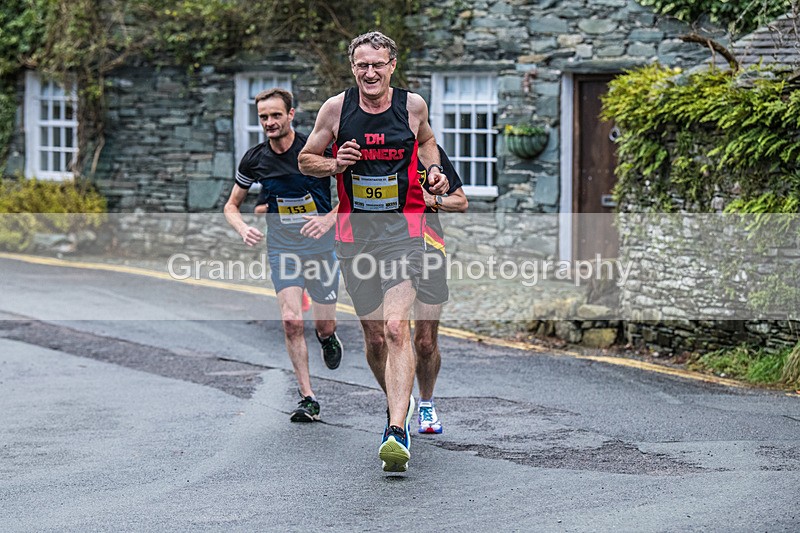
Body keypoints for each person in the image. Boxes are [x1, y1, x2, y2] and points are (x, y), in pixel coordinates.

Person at [298, 31, 449, 472]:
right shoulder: (336, 109)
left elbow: (425, 142)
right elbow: (307, 158)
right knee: (375, 337)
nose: (370, 73)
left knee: (397, 326)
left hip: (405, 231)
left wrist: (434, 169)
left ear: (392, 66)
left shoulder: (412, 106)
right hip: (354, 236)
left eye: (377, 64)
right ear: (353, 68)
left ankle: (397, 430)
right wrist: (335, 164)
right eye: (362, 65)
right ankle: (394, 404)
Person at [224, 87, 343, 423]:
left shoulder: (314, 149)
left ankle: (327, 336)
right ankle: (308, 397)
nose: (269, 122)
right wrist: (242, 227)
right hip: (282, 247)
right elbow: (231, 205)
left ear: (291, 115)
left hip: (320, 246)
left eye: (276, 115)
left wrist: (328, 219)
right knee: (291, 322)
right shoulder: (255, 158)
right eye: (263, 117)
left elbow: (351, 194)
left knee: (323, 322)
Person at [414, 146, 468, 434]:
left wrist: (431, 198)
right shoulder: (372, 149)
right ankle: (396, 408)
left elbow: (460, 202)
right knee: (388, 334)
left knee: (424, 342)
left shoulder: (430, 155)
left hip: (428, 252)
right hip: (384, 253)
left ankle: (426, 403)